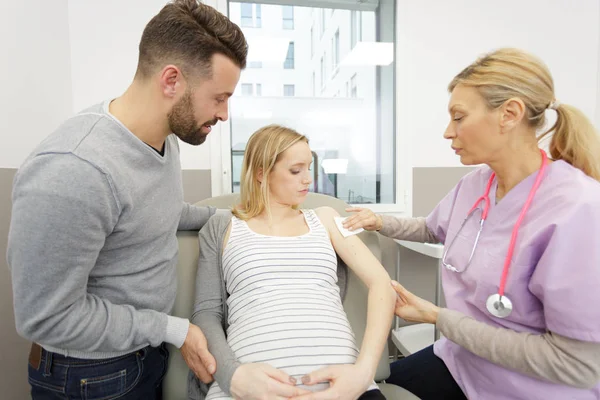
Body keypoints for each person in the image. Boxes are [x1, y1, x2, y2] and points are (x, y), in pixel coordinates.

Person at [7, 1, 247, 398]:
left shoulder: (164, 140)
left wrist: (235, 216)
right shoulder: (74, 170)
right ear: (172, 81)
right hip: (87, 377)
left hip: (142, 356)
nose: (224, 114)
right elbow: (46, 318)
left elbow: (152, 214)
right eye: (219, 97)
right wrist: (173, 328)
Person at [344, 48, 600, 400]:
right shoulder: (478, 184)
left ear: (509, 114)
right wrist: (379, 222)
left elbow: (576, 365)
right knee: (364, 390)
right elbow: (433, 229)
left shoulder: (578, 209)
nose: (448, 132)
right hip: (462, 359)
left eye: (459, 117)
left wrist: (438, 317)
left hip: (532, 386)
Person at [189, 125, 396, 400]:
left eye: (310, 168)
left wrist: (363, 373)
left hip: (344, 387)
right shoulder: (222, 225)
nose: (308, 180)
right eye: (296, 171)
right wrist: (233, 376)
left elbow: (381, 283)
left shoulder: (325, 218)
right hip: (250, 390)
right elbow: (206, 313)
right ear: (262, 173)